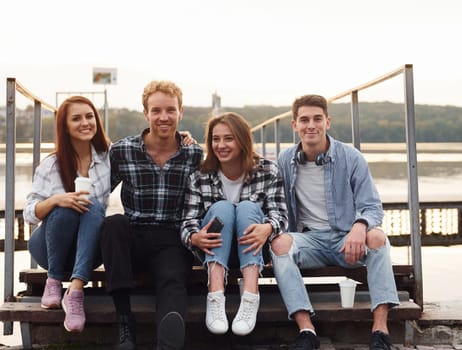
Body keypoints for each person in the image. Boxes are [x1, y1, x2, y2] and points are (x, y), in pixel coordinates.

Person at [270, 95, 400, 350]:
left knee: (377, 238)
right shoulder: (285, 160)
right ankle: (307, 331)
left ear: (327, 122)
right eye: (304, 120)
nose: (311, 125)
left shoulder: (351, 157)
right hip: (309, 241)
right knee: (279, 244)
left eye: (317, 119)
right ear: (294, 125)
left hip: (346, 240)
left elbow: (372, 206)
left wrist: (359, 226)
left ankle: (380, 331)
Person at [100, 80, 203, 350]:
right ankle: (125, 322)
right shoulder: (122, 151)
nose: (164, 117)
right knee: (113, 223)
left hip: (172, 237)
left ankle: (169, 341)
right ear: (145, 113)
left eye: (170, 110)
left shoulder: (194, 154)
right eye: (156, 110)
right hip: (133, 234)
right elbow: (98, 194)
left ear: (181, 112)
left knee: (172, 279)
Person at [181, 112, 287, 336]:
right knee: (223, 209)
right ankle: (215, 295)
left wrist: (267, 228)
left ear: (242, 140)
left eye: (228, 138)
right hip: (214, 252)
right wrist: (194, 237)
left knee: (247, 208)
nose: (221, 145)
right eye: (215, 139)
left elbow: (281, 217)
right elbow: (187, 221)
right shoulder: (199, 175)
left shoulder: (268, 170)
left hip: (255, 251)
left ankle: (250, 296)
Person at [23, 96, 110, 333]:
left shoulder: (108, 157)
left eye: (89, 116)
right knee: (65, 208)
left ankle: (75, 292)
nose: (85, 122)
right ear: (65, 126)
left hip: (88, 251)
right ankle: (53, 282)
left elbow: (144, 148)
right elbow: (29, 214)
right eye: (76, 118)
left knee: (92, 208)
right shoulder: (50, 165)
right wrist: (56, 200)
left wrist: (180, 138)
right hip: (50, 250)